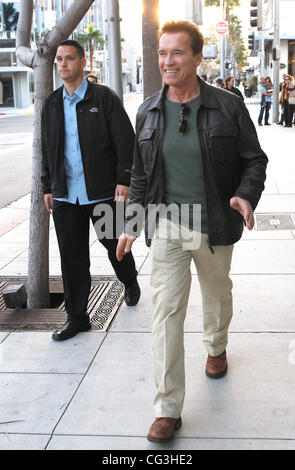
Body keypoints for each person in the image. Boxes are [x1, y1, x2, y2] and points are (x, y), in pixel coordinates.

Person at [116, 20, 267, 443]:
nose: (168, 60)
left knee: (217, 297)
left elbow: (254, 159)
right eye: (162, 53)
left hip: (215, 224)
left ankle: (216, 346)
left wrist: (244, 194)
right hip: (168, 227)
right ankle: (167, 407)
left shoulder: (227, 105)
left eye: (177, 52)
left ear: (198, 57)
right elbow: (141, 175)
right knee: (165, 311)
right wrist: (132, 222)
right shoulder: (147, 110)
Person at [41, 40, 140, 342]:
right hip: (65, 196)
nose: (62, 64)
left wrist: (124, 179)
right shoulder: (52, 103)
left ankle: (130, 282)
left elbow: (125, 141)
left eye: (69, 58)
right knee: (72, 259)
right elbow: (46, 148)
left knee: (115, 246)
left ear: (83, 62)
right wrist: (47, 185)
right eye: (59, 59)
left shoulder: (103, 98)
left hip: (103, 193)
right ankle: (77, 317)